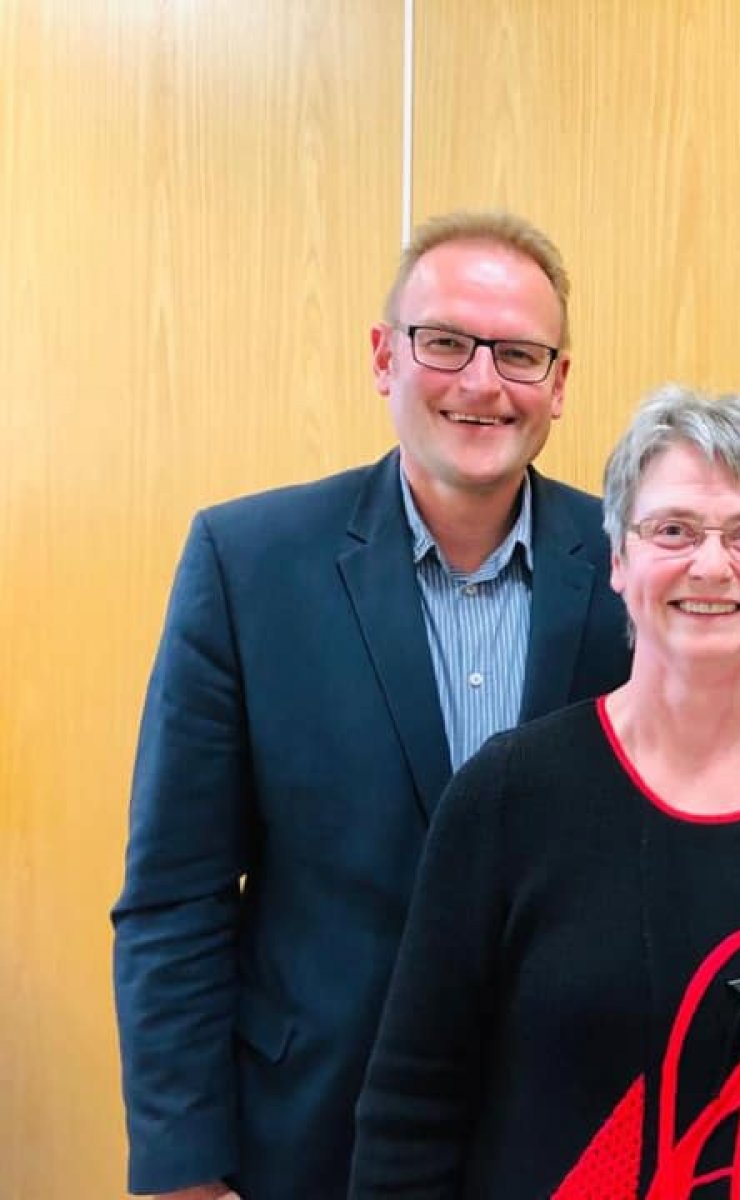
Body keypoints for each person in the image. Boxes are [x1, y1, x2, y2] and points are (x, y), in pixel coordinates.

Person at [111, 210, 632, 1200]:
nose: (482, 381)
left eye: (519, 354)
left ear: (559, 384)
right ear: (384, 357)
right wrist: (184, 1171)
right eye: (445, 342)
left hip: (564, 1137)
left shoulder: (631, 570)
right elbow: (176, 896)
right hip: (309, 1131)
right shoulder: (248, 564)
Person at [348, 385, 740, 1199]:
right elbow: (412, 1110)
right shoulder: (507, 793)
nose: (712, 565)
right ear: (619, 561)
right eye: (674, 530)